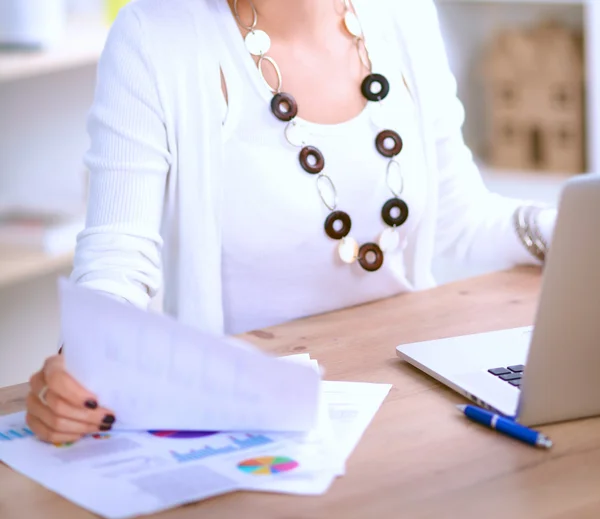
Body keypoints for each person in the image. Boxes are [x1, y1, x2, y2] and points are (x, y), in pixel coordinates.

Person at [25, 0, 556, 444]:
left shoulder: (404, 12)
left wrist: (567, 230)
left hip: (412, 403)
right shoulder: (154, 35)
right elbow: (118, 257)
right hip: (243, 424)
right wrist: (83, 362)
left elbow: (461, 217)